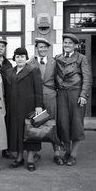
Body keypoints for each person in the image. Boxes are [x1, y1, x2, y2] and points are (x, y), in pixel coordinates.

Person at [54, 33, 92, 166]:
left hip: (76, 94)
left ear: (76, 46)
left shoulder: (82, 58)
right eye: (65, 43)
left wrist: (83, 95)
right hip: (62, 94)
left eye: (70, 43)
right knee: (63, 124)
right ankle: (67, 151)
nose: (67, 45)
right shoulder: (57, 58)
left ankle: (73, 155)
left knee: (76, 125)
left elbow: (87, 78)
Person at [5, 47, 43, 172]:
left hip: (29, 107)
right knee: (17, 133)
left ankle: (30, 160)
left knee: (29, 132)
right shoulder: (9, 72)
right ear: (14, 58)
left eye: (22, 56)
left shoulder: (33, 70)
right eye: (17, 56)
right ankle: (19, 158)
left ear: (26, 58)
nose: (20, 59)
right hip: (13, 108)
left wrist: (38, 106)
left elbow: (38, 89)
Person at [27, 37, 63, 165]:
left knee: (53, 123)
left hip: (50, 95)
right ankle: (36, 153)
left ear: (48, 49)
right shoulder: (31, 62)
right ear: (36, 48)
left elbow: (60, 78)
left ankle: (57, 153)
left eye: (45, 47)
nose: (43, 49)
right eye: (40, 47)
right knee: (36, 123)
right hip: (35, 97)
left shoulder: (55, 62)